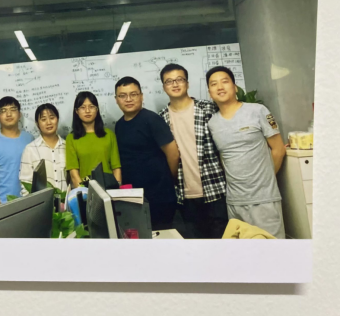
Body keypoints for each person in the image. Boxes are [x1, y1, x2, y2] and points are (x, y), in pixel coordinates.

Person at [207, 66, 287, 239]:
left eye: (225, 81)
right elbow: (223, 158)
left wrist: (265, 180)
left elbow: (278, 149)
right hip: (234, 202)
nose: (220, 87)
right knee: (244, 253)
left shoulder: (257, 111)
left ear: (235, 87)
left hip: (264, 199)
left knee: (272, 249)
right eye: (214, 84)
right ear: (210, 93)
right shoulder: (212, 123)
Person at [158, 64, 228, 239]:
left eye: (179, 79)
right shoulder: (161, 119)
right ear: (164, 87)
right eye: (169, 81)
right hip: (184, 195)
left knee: (223, 245)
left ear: (187, 83)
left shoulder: (209, 109)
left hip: (215, 189)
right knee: (195, 247)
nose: (175, 84)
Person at [114, 77, 180, 231]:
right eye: (123, 96)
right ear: (116, 99)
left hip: (159, 198)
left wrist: (168, 180)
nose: (128, 99)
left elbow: (173, 154)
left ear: (141, 96)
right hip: (135, 198)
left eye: (133, 94)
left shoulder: (152, 119)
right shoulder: (119, 125)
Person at [0, 97, 34, 206]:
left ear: (19, 114)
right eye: (3, 111)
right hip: (3, 204)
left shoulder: (30, 139)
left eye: (13, 109)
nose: (9, 114)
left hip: (29, 202)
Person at [66, 92, 122, 189]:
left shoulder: (109, 135)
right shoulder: (71, 138)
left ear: (97, 109)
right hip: (85, 190)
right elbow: (74, 173)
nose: (87, 111)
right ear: (76, 111)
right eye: (83, 107)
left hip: (109, 188)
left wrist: (116, 190)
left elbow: (116, 168)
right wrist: (85, 193)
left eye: (91, 107)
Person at [20, 104, 67, 195]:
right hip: (42, 202)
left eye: (52, 118)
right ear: (37, 124)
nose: (49, 122)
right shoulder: (30, 149)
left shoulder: (67, 146)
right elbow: (26, 184)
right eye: (43, 119)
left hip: (66, 202)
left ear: (57, 119)